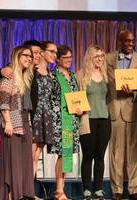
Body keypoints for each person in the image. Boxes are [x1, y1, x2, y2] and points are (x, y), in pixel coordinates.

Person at [106, 30, 137, 200]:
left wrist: (134, 92)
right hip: (114, 109)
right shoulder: (108, 59)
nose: (130, 43)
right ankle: (116, 190)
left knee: (133, 152)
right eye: (127, 41)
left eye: (132, 41)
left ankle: (133, 189)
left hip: (133, 110)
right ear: (120, 41)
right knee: (116, 153)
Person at [0, 45, 34, 200]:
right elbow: (3, 101)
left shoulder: (25, 78)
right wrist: (8, 122)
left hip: (24, 123)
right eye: (25, 55)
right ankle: (11, 195)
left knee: (24, 163)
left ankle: (22, 195)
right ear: (17, 57)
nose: (29, 59)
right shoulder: (9, 76)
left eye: (30, 57)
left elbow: (26, 105)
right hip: (12, 124)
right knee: (13, 163)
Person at [76, 45, 111, 200]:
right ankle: (87, 190)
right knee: (88, 155)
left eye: (102, 55)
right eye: (96, 56)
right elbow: (74, 98)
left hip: (104, 120)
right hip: (88, 120)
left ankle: (98, 189)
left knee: (100, 156)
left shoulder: (107, 75)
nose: (100, 59)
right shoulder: (81, 76)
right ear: (90, 57)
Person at [48, 45, 82, 200]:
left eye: (70, 57)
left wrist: (80, 108)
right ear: (57, 59)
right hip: (59, 120)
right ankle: (59, 190)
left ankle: (61, 190)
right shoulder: (52, 75)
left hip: (72, 120)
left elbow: (76, 98)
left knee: (66, 154)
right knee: (62, 154)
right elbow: (49, 98)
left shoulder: (73, 76)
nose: (69, 60)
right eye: (65, 57)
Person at [31, 41, 57, 179]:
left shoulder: (51, 74)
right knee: (30, 154)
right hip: (34, 114)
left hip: (46, 116)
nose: (54, 55)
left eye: (56, 53)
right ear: (42, 52)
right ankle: (23, 191)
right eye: (51, 51)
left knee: (37, 155)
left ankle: (30, 191)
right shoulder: (32, 72)